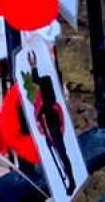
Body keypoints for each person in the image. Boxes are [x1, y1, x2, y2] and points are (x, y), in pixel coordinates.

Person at [28, 49, 76, 194]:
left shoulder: (48, 82)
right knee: (54, 154)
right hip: (46, 124)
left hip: (52, 124)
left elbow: (50, 101)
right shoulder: (41, 85)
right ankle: (64, 181)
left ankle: (71, 181)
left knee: (62, 153)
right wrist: (33, 67)